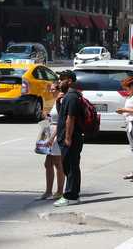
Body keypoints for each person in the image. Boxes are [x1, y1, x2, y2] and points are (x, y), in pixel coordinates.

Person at [54, 71, 84, 207]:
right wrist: (58, 101)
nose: (59, 82)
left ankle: (71, 196)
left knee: (71, 167)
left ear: (70, 81)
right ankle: (73, 195)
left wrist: (67, 138)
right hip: (68, 138)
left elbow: (70, 119)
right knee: (69, 167)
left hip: (71, 138)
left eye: (62, 79)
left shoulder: (71, 97)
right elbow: (62, 115)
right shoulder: (67, 97)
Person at [40, 82, 64, 200]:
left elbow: (61, 122)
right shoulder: (53, 101)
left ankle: (59, 191)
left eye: (53, 89)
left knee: (58, 164)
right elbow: (50, 118)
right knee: (48, 163)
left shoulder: (61, 100)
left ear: (59, 89)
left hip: (56, 133)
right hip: (49, 131)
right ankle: (48, 191)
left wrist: (52, 137)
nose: (50, 91)